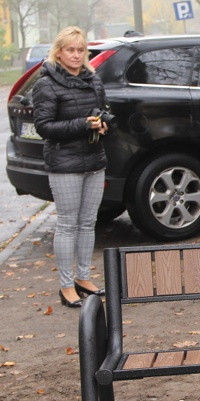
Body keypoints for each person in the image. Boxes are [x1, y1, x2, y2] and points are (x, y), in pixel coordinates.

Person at [32, 26, 114, 308]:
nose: (76, 55)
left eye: (81, 50)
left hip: (94, 159)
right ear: (59, 52)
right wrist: (82, 124)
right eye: (71, 50)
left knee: (88, 223)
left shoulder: (93, 79)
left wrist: (105, 122)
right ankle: (66, 285)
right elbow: (44, 127)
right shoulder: (46, 84)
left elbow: (105, 110)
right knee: (68, 224)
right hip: (64, 163)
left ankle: (83, 277)